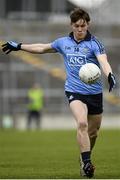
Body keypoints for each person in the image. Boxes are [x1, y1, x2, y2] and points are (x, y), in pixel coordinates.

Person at [1, 8, 116, 178]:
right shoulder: (63, 42)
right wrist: (19, 46)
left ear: (87, 25)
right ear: (71, 25)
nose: (80, 30)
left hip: (95, 93)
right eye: (77, 26)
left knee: (93, 132)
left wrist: (109, 75)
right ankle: (86, 164)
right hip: (74, 91)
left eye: (83, 26)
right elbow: (42, 48)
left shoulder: (95, 43)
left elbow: (103, 61)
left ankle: (85, 156)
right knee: (82, 124)